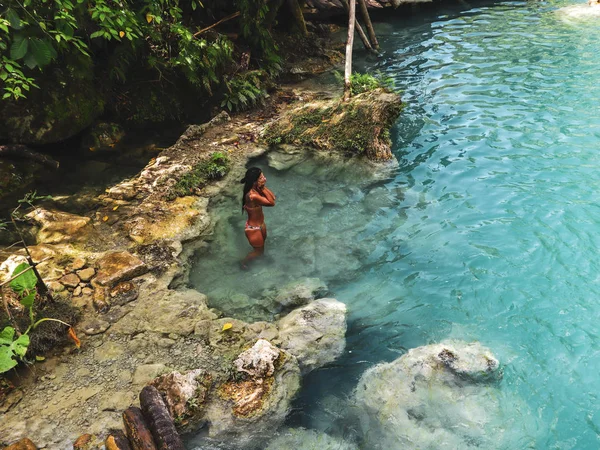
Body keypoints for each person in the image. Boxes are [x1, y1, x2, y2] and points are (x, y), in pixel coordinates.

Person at [240, 167, 276, 267]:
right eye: (261, 178)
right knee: (258, 251)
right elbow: (271, 203)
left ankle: (261, 256)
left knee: (261, 248)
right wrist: (263, 188)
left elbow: (273, 197)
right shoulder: (252, 196)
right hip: (253, 229)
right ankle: (243, 263)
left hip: (260, 225)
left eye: (263, 176)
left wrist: (261, 186)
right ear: (254, 181)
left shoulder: (256, 190)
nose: (265, 179)